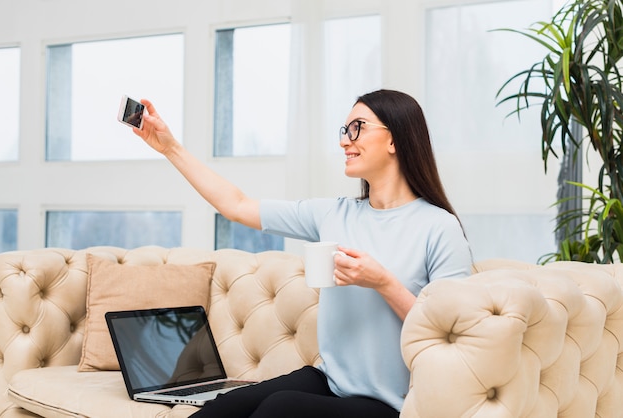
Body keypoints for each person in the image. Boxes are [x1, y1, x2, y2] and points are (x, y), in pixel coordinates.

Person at [132, 89, 472, 418]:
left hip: (394, 402)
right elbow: (236, 205)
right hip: (331, 381)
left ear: (394, 139)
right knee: (223, 407)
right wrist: (170, 148)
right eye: (344, 130)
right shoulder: (334, 214)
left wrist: (383, 282)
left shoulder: (438, 227)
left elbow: (452, 337)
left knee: (281, 408)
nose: (344, 141)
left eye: (357, 128)